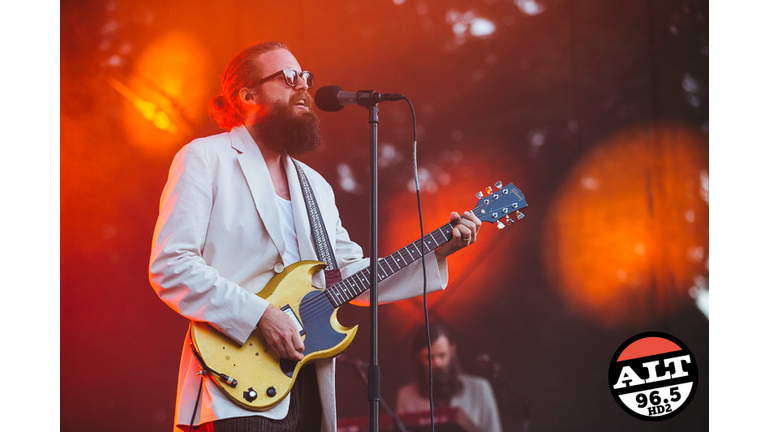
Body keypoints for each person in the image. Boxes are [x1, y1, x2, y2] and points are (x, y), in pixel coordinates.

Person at [148, 41, 482, 432]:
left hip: (307, 382)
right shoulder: (206, 158)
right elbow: (171, 264)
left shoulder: (315, 185)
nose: (303, 85)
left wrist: (436, 252)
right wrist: (260, 315)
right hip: (232, 386)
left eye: (304, 76)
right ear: (247, 95)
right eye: (288, 77)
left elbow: (349, 275)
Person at [395, 321, 503, 432]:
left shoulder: (479, 388)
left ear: (452, 350)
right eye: (429, 357)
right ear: (418, 358)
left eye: (442, 355)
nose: (436, 363)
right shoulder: (405, 396)